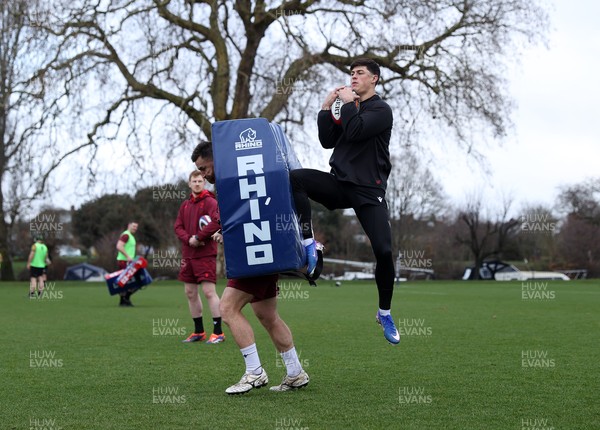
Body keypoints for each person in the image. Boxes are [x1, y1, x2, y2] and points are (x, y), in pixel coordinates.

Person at [289, 58, 400, 345]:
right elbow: (328, 140)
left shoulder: (381, 110)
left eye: (359, 73)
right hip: (340, 184)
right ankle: (307, 242)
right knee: (296, 178)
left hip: (368, 191)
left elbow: (355, 131)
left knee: (384, 252)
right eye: (351, 73)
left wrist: (348, 104)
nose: (353, 77)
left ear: (374, 79)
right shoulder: (347, 108)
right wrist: (326, 108)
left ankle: (384, 312)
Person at [192, 141, 309, 394]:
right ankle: (295, 372)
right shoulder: (240, 175)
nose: (203, 175)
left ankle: (254, 372)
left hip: (254, 257)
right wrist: (226, 230)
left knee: (227, 308)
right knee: (268, 316)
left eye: (204, 168)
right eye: (199, 172)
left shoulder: (232, 178)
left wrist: (231, 235)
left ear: (215, 158)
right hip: (263, 253)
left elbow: (251, 214)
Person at [174, 170, 225, 344]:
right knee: (190, 292)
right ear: (189, 184)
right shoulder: (185, 205)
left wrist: (198, 237)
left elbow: (216, 222)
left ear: (204, 183)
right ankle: (199, 332)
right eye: (194, 181)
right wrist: (189, 239)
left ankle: (218, 332)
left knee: (209, 292)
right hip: (188, 254)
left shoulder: (211, 202)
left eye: (200, 181)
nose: (197, 183)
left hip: (205, 254)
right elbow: (178, 227)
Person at [115, 221, 139, 307]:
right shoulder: (126, 235)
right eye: (133, 226)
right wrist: (128, 256)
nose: (135, 228)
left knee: (124, 282)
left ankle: (123, 301)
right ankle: (125, 299)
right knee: (132, 282)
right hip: (124, 262)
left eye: (136, 227)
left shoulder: (130, 236)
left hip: (127, 262)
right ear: (129, 225)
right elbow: (119, 246)